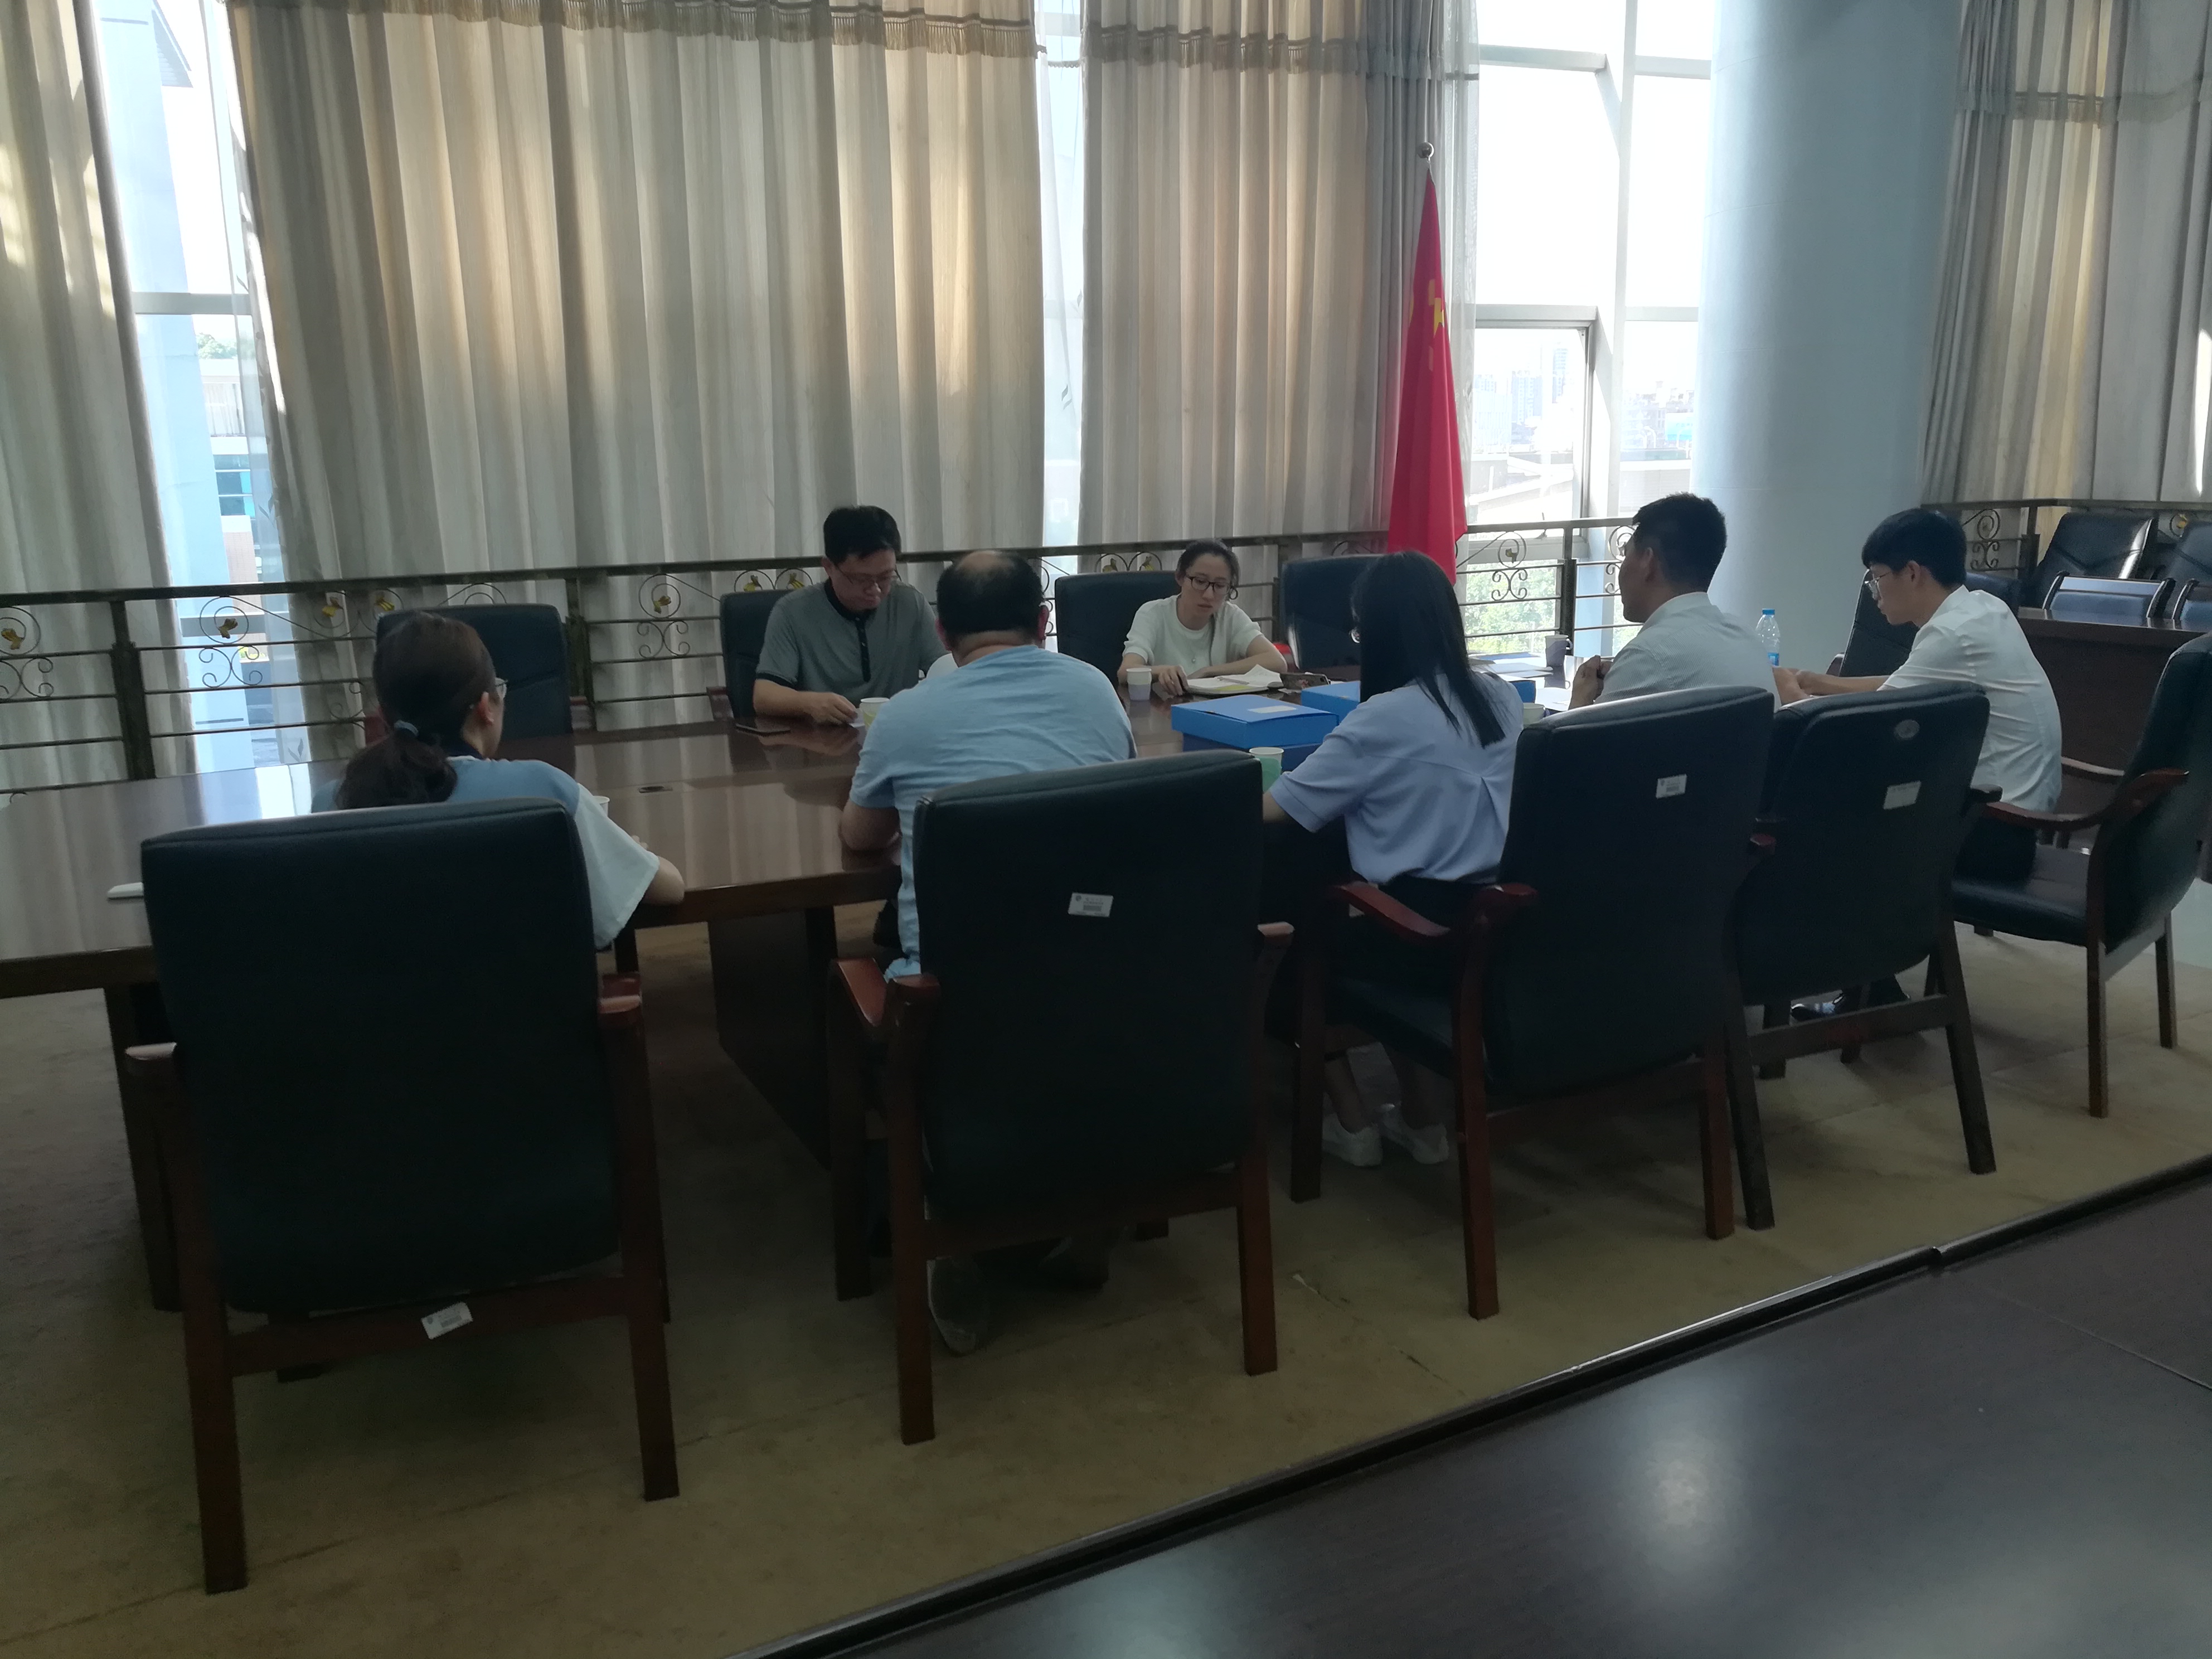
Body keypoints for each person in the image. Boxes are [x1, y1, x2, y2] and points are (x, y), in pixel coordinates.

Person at [841, 551, 1136, 1354]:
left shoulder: (908, 714)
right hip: (1096, 979)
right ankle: (1086, 1208)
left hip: (956, 1005)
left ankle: (948, 1224)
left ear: (942, 633)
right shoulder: (1095, 691)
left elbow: (861, 837)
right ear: (1041, 624)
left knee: (878, 956)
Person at [1262, 551, 1523, 1169]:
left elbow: (1276, 810)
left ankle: (1352, 1121)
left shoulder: (1382, 718)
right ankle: (1419, 1117)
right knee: (1365, 887)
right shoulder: (1499, 695)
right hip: (1501, 932)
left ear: (1379, 633)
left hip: (1423, 943)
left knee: (1286, 928)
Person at [325, 612, 684, 948]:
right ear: (486, 708)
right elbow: (669, 889)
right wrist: (630, 853)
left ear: (383, 717)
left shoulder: (335, 801)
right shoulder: (544, 792)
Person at [1777, 508, 2061, 880]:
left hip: (1991, 833)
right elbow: (1904, 684)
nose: (1874, 593)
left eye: (1877, 578)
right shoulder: (1982, 609)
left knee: (1822, 819)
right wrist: (1821, 683)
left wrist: (1790, 694)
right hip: (2015, 821)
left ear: (1912, 573)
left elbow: (1855, 729)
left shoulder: (1951, 636)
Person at [1570, 493, 1776, 709]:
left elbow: (1579, 732)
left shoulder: (1647, 655)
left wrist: (1580, 698)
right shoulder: (1747, 638)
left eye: (1626, 553)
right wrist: (1622, 678)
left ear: (1647, 561)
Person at [754, 506, 945, 725]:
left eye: (886, 577)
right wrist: (809, 703)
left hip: (895, 734)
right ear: (829, 567)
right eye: (862, 579)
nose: (875, 589)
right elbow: (764, 696)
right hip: (823, 739)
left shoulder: (910, 603)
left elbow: (948, 673)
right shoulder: (792, 612)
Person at [1119, 540, 1289, 698]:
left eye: (1220, 586)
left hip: (1218, 711)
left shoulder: (1230, 616)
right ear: (1180, 577)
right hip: (1163, 711)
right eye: (1200, 582)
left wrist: (1209, 672)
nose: (1209, 595)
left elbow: (1277, 662)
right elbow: (1126, 671)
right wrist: (1161, 671)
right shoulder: (1152, 614)